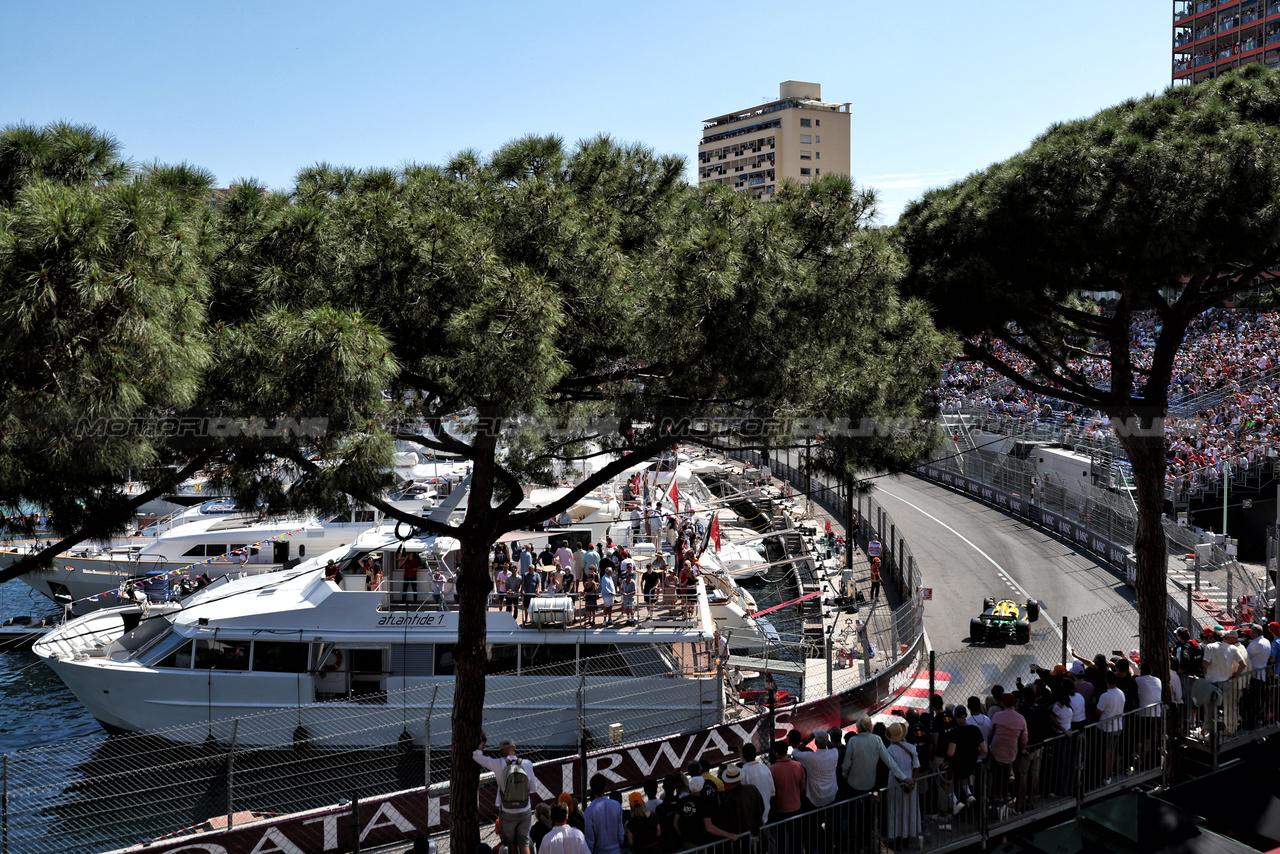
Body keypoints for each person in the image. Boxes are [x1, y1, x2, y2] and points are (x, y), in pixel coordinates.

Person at [472, 734, 535, 854]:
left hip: (507, 810)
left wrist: (483, 741)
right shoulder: (527, 764)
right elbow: (533, 788)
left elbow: (477, 756)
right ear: (515, 749)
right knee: (524, 843)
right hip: (524, 808)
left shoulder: (498, 764)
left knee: (510, 844)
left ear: (501, 753)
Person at [883, 721, 921, 850]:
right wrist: (912, 782)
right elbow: (916, 766)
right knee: (910, 809)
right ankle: (907, 839)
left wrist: (903, 782)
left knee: (896, 810)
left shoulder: (890, 750)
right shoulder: (911, 747)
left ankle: (897, 840)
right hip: (910, 779)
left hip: (896, 781)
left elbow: (894, 769)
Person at [790, 729, 839, 808]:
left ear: (815, 742)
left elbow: (795, 752)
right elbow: (834, 748)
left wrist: (807, 741)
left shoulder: (811, 757)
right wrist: (825, 739)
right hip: (831, 794)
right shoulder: (834, 754)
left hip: (815, 797)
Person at [717, 763, 764, 840]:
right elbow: (761, 807)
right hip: (757, 830)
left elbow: (730, 821)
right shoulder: (752, 789)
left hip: (742, 836)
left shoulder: (730, 799)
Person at [583, 772, 625, 854]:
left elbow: (589, 838)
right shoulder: (616, 805)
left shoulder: (589, 811)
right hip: (616, 850)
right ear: (605, 787)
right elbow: (620, 832)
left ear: (592, 790)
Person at [738, 742, 774, 823]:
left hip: (752, 817)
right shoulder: (765, 768)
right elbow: (772, 792)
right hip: (767, 813)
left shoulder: (743, 773)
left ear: (743, 756)